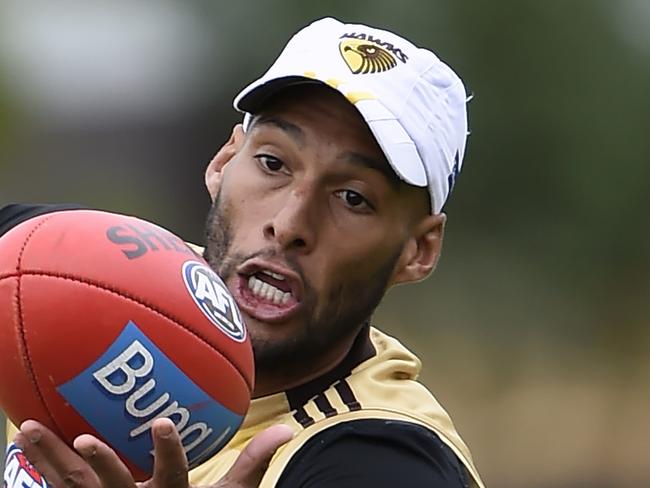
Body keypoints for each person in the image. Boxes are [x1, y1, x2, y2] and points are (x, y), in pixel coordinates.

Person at [2, 17, 485, 488]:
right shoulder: (76, 274)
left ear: (418, 250)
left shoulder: (377, 457)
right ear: (224, 162)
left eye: (352, 197)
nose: (290, 224)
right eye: (273, 163)